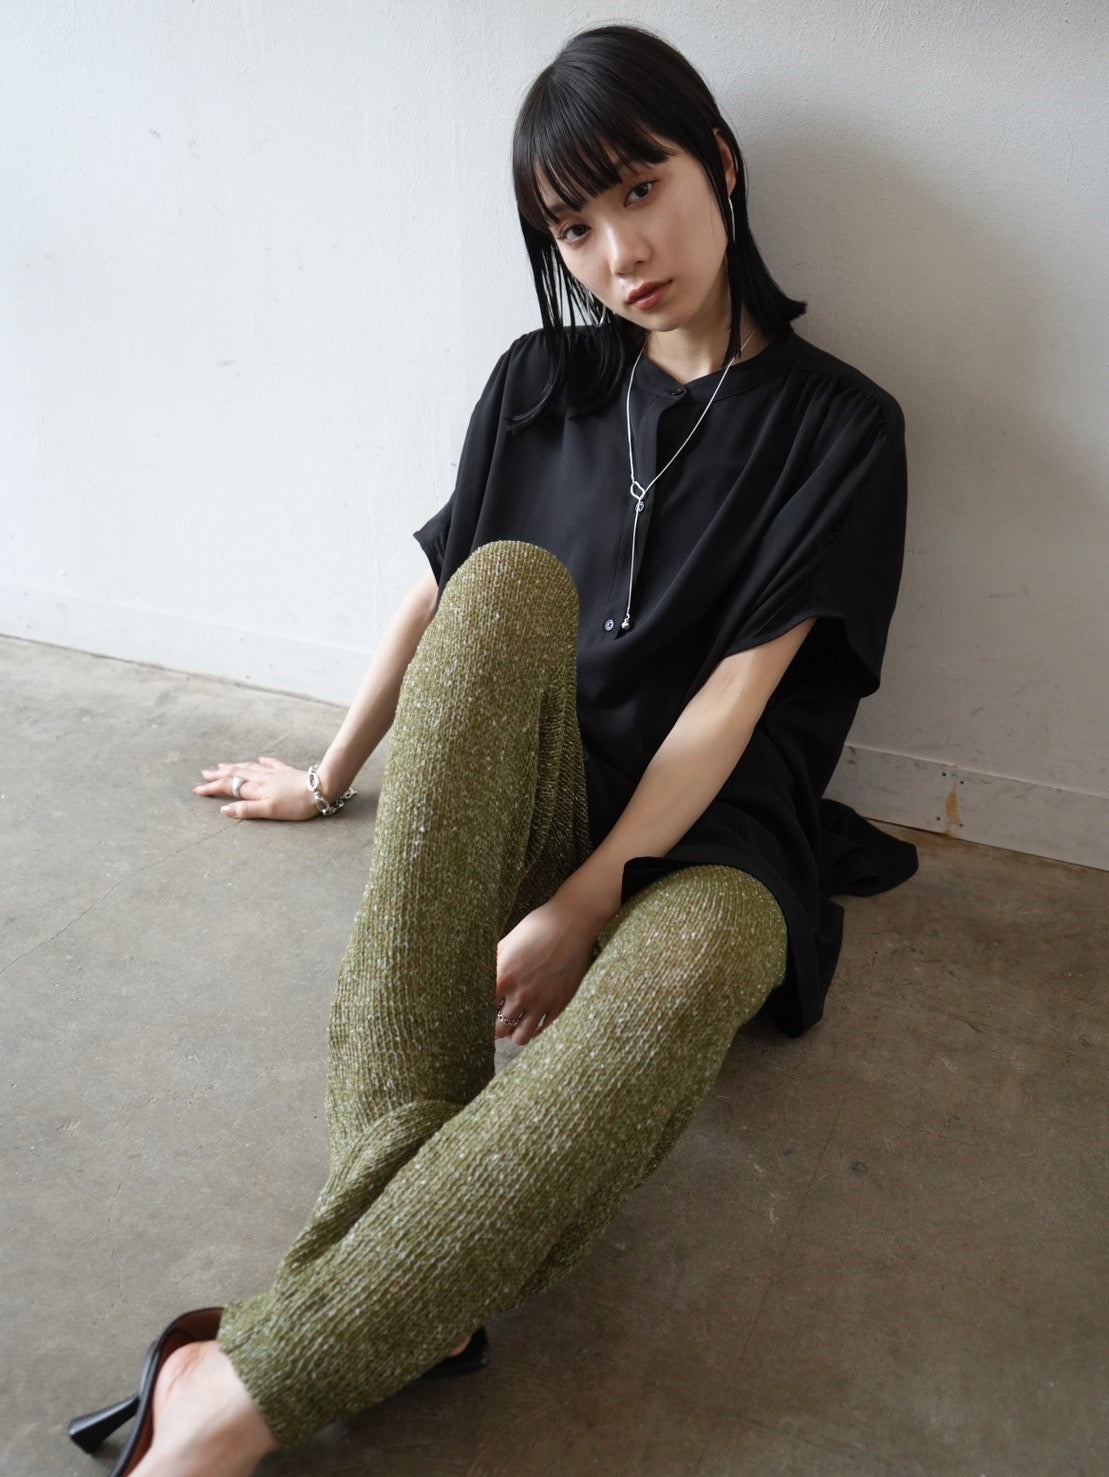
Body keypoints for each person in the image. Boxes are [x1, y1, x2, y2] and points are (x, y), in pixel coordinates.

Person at [69, 23, 917, 1476]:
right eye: (573, 228)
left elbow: (733, 704)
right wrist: (326, 777)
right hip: (530, 789)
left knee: (702, 964)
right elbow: (437, 595)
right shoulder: (541, 379)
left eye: (640, 191)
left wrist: (590, 899)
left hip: (716, 842)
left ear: (718, 164)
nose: (617, 254)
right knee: (506, 582)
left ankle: (234, 1379)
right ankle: (370, 1316)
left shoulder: (843, 425)